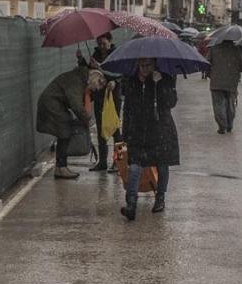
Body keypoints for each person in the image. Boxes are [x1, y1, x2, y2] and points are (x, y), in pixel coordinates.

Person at [117, 57, 180, 220]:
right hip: (138, 130)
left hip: (160, 129)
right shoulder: (131, 81)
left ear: (154, 65)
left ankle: (160, 197)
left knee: (162, 164)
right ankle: (131, 203)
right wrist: (125, 133)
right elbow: (128, 108)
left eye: (149, 65)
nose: (145, 69)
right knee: (134, 165)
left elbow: (171, 102)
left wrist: (160, 85)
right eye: (142, 65)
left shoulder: (164, 79)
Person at [36, 54, 101, 180]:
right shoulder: (76, 82)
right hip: (51, 103)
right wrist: (86, 119)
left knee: (64, 131)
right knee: (64, 131)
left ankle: (61, 167)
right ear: (91, 82)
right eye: (93, 89)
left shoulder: (80, 78)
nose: (92, 91)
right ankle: (61, 168)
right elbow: (76, 105)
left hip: (54, 102)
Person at [87, 33, 120, 172]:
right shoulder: (95, 54)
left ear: (110, 42)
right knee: (101, 129)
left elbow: (121, 74)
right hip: (99, 95)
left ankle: (118, 162)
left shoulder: (117, 54)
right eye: (99, 44)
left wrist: (115, 81)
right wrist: (82, 61)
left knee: (114, 128)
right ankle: (102, 162)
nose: (101, 47)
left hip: (113, 97)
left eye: (104, 43)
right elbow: (91, 73)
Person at [207, 39, 242, 135]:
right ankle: (229, 124)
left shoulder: (214, 49)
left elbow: (207, 64)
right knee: (230, 103)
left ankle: (222, 125)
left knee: (218, 104)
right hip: (232, 82)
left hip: (216, 82)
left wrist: (211, 74)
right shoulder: (237, 50)